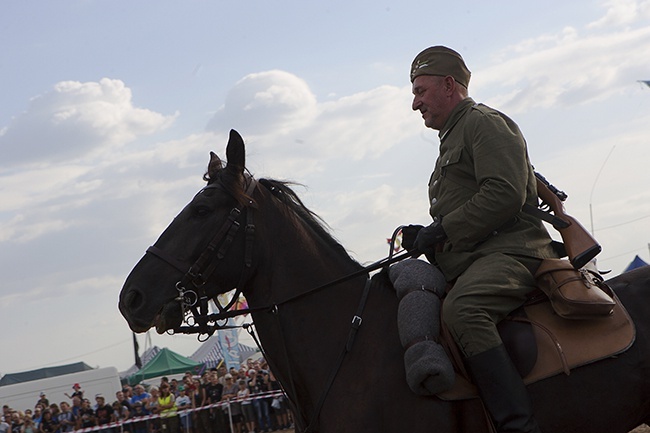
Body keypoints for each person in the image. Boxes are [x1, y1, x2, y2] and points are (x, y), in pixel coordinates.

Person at [406, 45, 558, 433]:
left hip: (512, 252)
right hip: (476, 258)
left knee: (463, 310)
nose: (415, 103)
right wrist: (426, 236)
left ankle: (518, 425)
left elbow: (504, 193)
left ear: (448, 85)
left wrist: (443, 230)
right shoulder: (452, 138)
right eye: (414, 93)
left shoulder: (483, 123)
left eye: (421, 91)